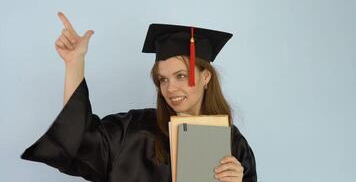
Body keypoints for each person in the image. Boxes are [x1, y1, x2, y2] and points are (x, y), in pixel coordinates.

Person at [21, 12, 257, 182]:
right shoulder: (133, 130)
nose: (170, 88)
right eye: (162, 79)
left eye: (181, 75)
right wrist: (74, 64)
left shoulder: (234, 146)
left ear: (205, 77)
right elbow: (77, 140)